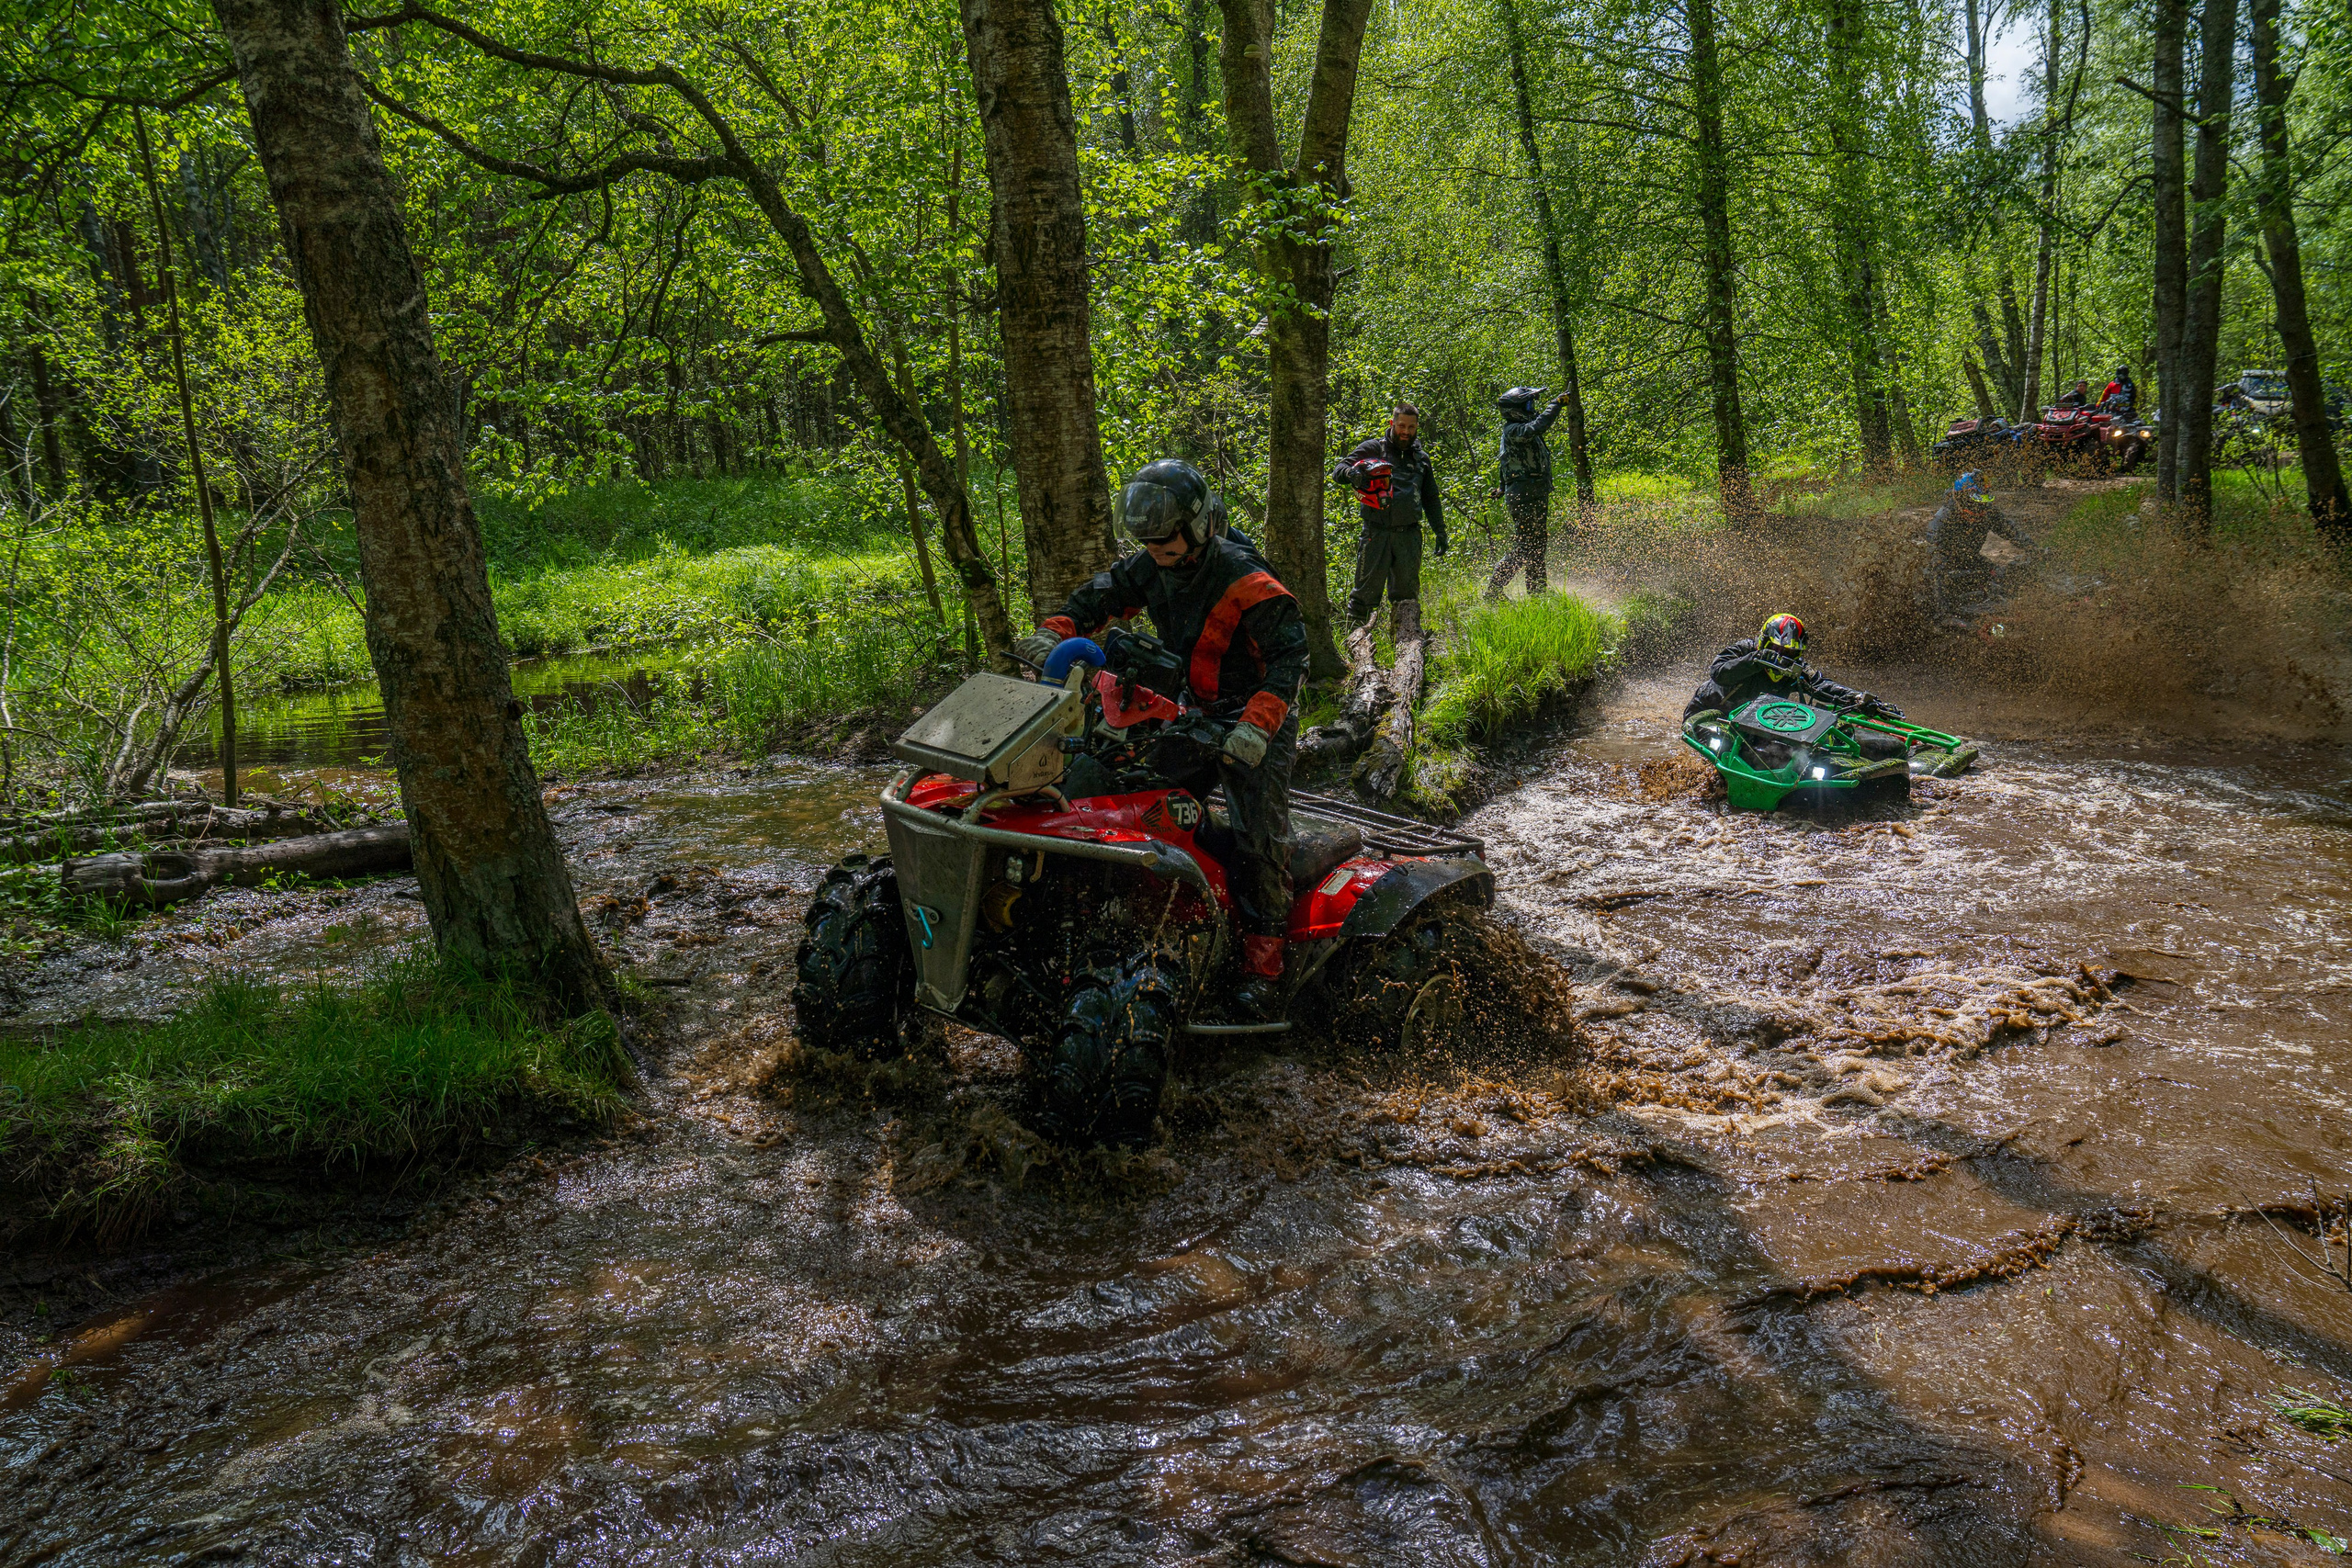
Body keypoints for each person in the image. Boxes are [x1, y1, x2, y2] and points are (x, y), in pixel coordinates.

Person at [1016, 458, 1308, 1018]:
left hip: (1255, 716)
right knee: (1140, 797)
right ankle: (1159, 916)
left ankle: (1263, 969)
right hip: (1192, 711)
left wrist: (1256, 725)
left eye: (1166, 544)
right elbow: (1101, 595)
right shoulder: (1150, 565)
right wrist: (1053, 631)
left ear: (1197, 527)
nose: (1157, 553)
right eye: (1148, 544)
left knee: (1260, 837)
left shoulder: (1246, 577)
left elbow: (1292, 660)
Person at [1684, 615, 1910, 768]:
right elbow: (1718, 672)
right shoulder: (1743, 650)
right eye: (1776, 648)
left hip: (1754, 724)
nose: (1782, 655)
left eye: (1789, 652)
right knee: (1725, 749)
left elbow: (1822, 686)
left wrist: (1860, 699)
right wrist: (1756, 660)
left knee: (1785, 755)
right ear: (1763, 642)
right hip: (1710, 713)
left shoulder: (1795, 669)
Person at [1331, 401, 1447, 636]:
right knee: (1363, 595)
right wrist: (1352, 475)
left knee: (1406, 597)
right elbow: (1338, 470)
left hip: (1409, 535)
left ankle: (1407, 647)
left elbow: (1430, 496)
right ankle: (1352, 645)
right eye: (1401, 425)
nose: (1406, 431)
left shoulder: (1421, 458)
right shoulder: (1374, 448)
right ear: (1392, 423)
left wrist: (1440, 531)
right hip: (1376, 533)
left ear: (1417, 427)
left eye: (1411, 427)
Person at [1485, 386, 1571, 601]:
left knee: (1537, 546)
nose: (1532, 408)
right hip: (1525, 495)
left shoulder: (1516, 431)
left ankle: (1538, 594)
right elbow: (1537, 427)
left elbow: (1508, 462)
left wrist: (1502, 488)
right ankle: (1494, 590)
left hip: (1532, 493)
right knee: (1526, 547)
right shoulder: (1514, 430)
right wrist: (1556, 404)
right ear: (1515, 409)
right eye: (1529, 404)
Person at [1924, 470, 2034, 624]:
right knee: (1937, 572)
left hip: (1971, 558)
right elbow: (1931, 551)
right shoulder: (1943, 518)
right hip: (1945, 562)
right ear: (1962, 499)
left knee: (2003, 573)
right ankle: (1943, 616)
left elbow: (2012, 531)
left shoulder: (1988, 512)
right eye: (1975, 504)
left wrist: (2034, 549)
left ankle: (2015, 606)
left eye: (1983, 503)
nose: (1979, 509)